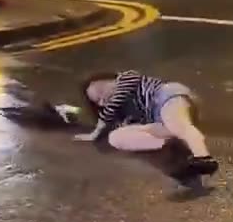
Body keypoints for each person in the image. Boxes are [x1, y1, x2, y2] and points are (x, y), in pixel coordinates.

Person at [74, 70, 219, 181]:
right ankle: (178, 153)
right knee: (115, 137)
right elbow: (125, 127)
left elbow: (115, 102)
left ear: (112, 78)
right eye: (98, 101)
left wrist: (97, 131)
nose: (103, 100)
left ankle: (203, 157)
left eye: (101, 91)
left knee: (177, 124)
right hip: (159, 121)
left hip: (166, 97)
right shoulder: (123, 112)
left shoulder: (127, 77)